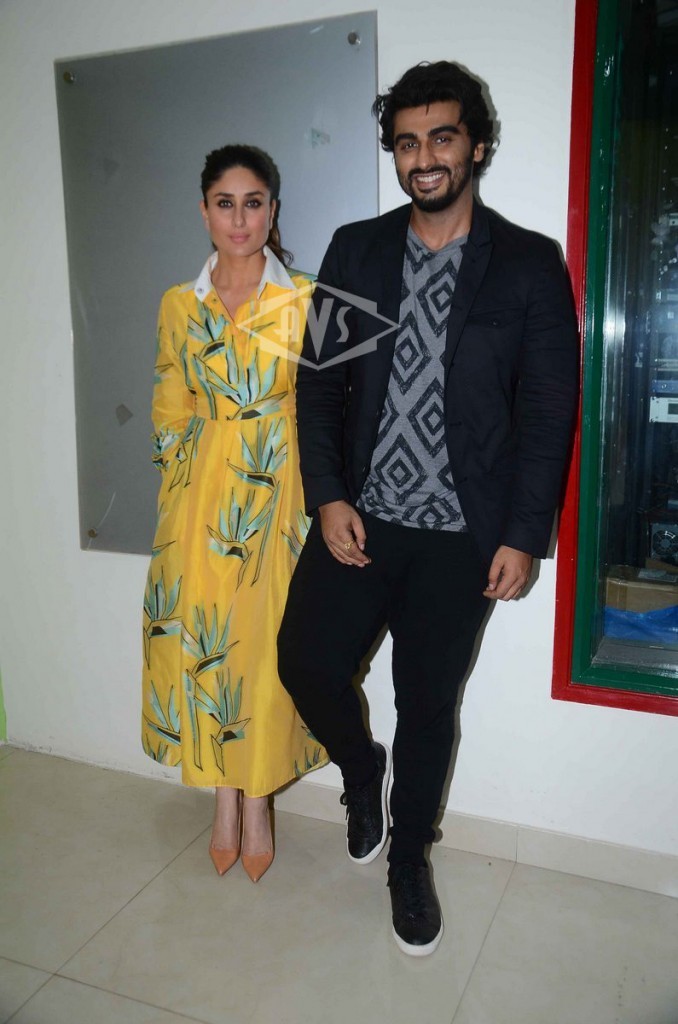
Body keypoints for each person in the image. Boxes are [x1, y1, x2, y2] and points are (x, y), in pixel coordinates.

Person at [278, 62, 578, 953]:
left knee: (426, 704)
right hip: (360, 519)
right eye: (407, 143)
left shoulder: (527, 263)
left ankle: (410, 860)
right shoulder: (359, 250)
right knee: (305, 662)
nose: (424, 158)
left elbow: (548, 412)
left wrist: (523, 536)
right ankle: (359, 767)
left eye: (442, 137)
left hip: (460, 537)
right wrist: (328, 495)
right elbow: (319, 386)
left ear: (475, 145)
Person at [142, 144, 327, 882]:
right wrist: (179, 493)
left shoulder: (308, 298)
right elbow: (169, 402)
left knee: (266, 652)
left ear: (272, 211)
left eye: (254, 203)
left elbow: (331, 408)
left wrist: (318, 503)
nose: (240, 219)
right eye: (226, 203)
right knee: (207, 648)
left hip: (280, 496)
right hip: (199, 501)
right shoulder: (178, 304)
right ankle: (224, 800)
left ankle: (257, 802)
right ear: (204, 211)